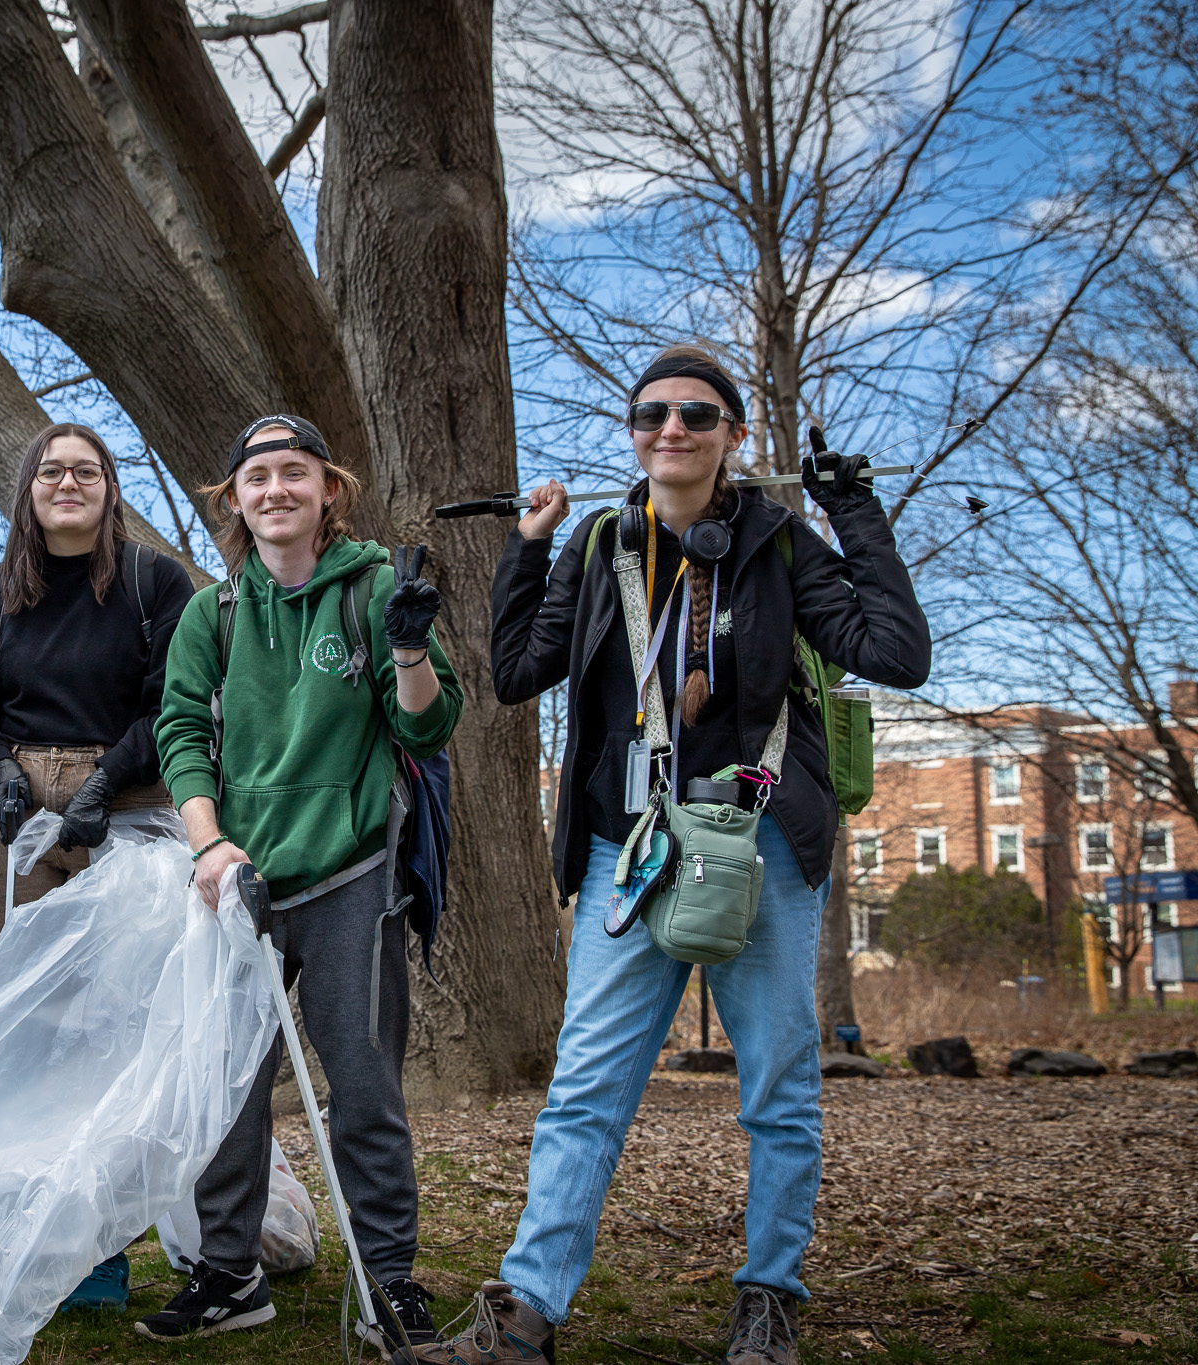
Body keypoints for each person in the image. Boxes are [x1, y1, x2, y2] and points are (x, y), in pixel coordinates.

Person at [411, 345, 931, 1365]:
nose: (671, 430)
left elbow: (895, 654)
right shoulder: (603, 539)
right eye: (650, 415)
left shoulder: (781, 545)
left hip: (760, 847)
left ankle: (767, 1300)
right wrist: (526, 549)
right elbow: (517, 671)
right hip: (629, 851)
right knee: (583, 1088)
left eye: (697, 414)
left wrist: (854, 518)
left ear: (733, 435)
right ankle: (524, 1317)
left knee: (778, 1083)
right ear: (632, 434)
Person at [149, 414, 463, 1346]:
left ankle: (391, 1279)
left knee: (364, 1085)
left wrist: (409, 648)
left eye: (297, 473)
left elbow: (424, 729)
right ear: (235, 501)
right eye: (258, 478)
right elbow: (180, 735)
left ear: (330, 490)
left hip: (351, 876)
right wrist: (208, 846)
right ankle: (228, 1271)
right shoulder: (214, 613)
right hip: (240, 885)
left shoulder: (373, 590)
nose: (276, 489)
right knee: (230, 1090)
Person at [0, 422, 196, 1312]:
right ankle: (14, 1228)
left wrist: (105, 783)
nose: (67, 482)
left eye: (84, 470)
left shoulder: (150, 581)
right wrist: (2, 771)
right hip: (17, 808)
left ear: (109, 486)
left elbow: (172, 695)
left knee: (113, 1025)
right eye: (50, 470)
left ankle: (100, 1250)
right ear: (28, 489)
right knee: (21, 1020)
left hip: (124, 799)